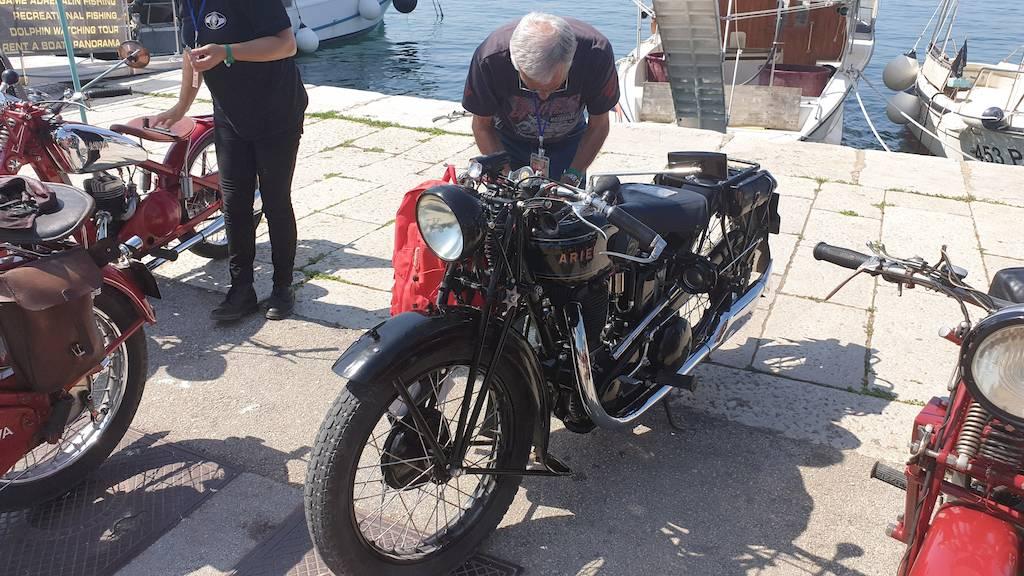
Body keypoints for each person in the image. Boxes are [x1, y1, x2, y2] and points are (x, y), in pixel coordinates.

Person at [154, 0, 308, 322]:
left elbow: (286, 44)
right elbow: (194, 56)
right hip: (230, 116)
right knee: (234, 204)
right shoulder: (188, 3)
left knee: (275, 201)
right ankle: (241, 290)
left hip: (277, 112)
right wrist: (180, 107)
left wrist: (227, 51)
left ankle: (282, 287)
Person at [462, 12, 619, 187]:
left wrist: (574, 175)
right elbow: (482, 126)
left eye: (555, 87)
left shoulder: (596, 54)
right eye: (533, 88)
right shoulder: (490, 58)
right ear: (515, 64)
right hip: (508, 141)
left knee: (567, 201)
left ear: (571, 62)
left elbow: (599, 125)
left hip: (569, 142)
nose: (544, 97)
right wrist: (506, 176)